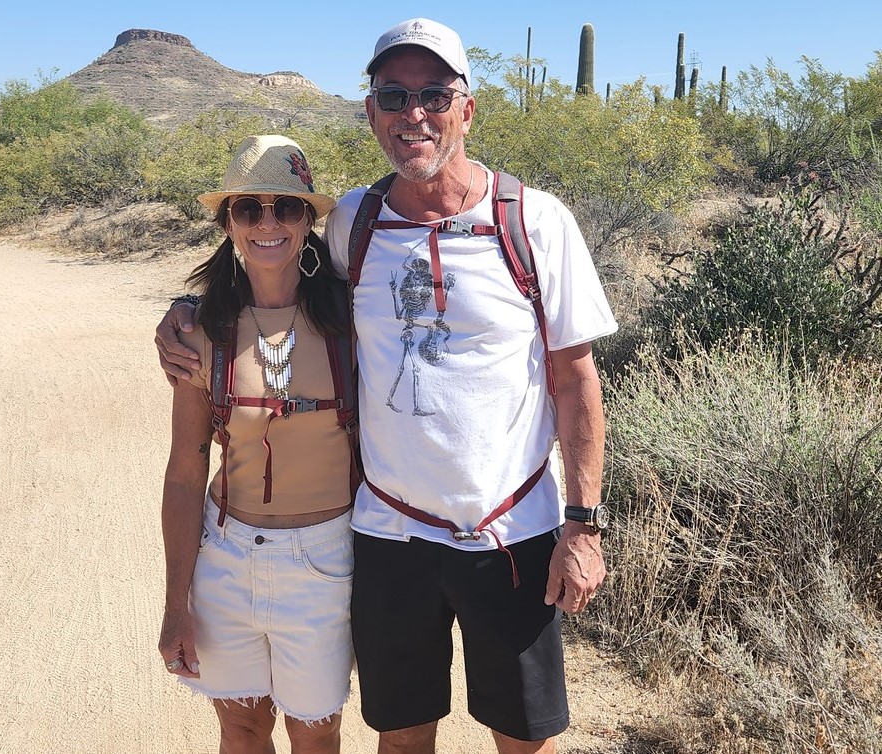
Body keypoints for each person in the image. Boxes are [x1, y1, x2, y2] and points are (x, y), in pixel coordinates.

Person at [157, 19, 618, 754]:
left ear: (466, 108)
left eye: (434, 94)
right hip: (387, 535)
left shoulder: (534, 222)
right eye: (393, 96)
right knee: (401, 736)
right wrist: (187, 313)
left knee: (522, 738)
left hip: (513, 528)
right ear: (370, 113)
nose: (414, 114)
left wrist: (583, 525)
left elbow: (576, 380)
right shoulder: (354, 225)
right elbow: (272, 278)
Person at [157, 134, 357, 754]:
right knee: (240, 728)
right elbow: (186, 473)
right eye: (249, 209)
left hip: (325, 563)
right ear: (228, 225)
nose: (267, 223)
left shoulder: (354, 323)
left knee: (315, 733)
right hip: (228, 558)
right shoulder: (201, 332)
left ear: (309, 224)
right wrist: (175, 605)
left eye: (286, 208)